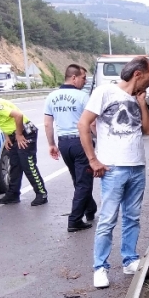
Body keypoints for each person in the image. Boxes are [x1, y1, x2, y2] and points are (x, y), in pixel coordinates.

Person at [78, 56, 149, 289]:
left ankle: (129, 260)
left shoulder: (138, 97)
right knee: (108, 219)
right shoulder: (104, 92)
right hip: (113, 168)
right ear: (138, 74)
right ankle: (100, 268)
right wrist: (93, 159)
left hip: (137, 166)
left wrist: (142, 104)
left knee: (132, 217)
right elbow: (84, 124)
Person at [44, 64, 98, 232]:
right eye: (83, 78)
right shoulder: (82, 97)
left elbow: (47, 124)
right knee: (84, 182)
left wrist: (51, 144)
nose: (85, 81)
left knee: (78, 179)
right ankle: (74, 220)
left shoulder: (51, 96)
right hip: (80, 142)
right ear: (73, 77)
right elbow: (92, 123)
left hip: (64, 143)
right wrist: (99, 139)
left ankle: (90, 209)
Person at [0, 96, 48, 206]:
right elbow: (1, 121)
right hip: (13, 134)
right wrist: (7, 137)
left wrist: (19, 134)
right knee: (15, 165)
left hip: (25, 132)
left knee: (28, 165)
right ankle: (13, 195)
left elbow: (18, 116)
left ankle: (42, 194)